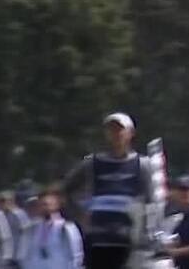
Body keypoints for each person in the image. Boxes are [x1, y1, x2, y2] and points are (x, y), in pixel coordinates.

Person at [62, 113, 157, 269]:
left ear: (130, 133)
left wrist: (146, 232)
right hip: (98, 237)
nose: (116, 134)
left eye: (120, 130)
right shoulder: (92, 162)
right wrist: (80, 215)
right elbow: (67, 188)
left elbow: (150, 201)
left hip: (129, 238)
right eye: (111, 130)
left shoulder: (142, 164)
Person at [21, 189, 85, 269]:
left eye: (47, 204)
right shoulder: (33, 228)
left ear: (57, 205)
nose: (44, 208)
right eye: (41, 204)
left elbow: (76, 255)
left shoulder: (66, 227)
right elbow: (27, 253)